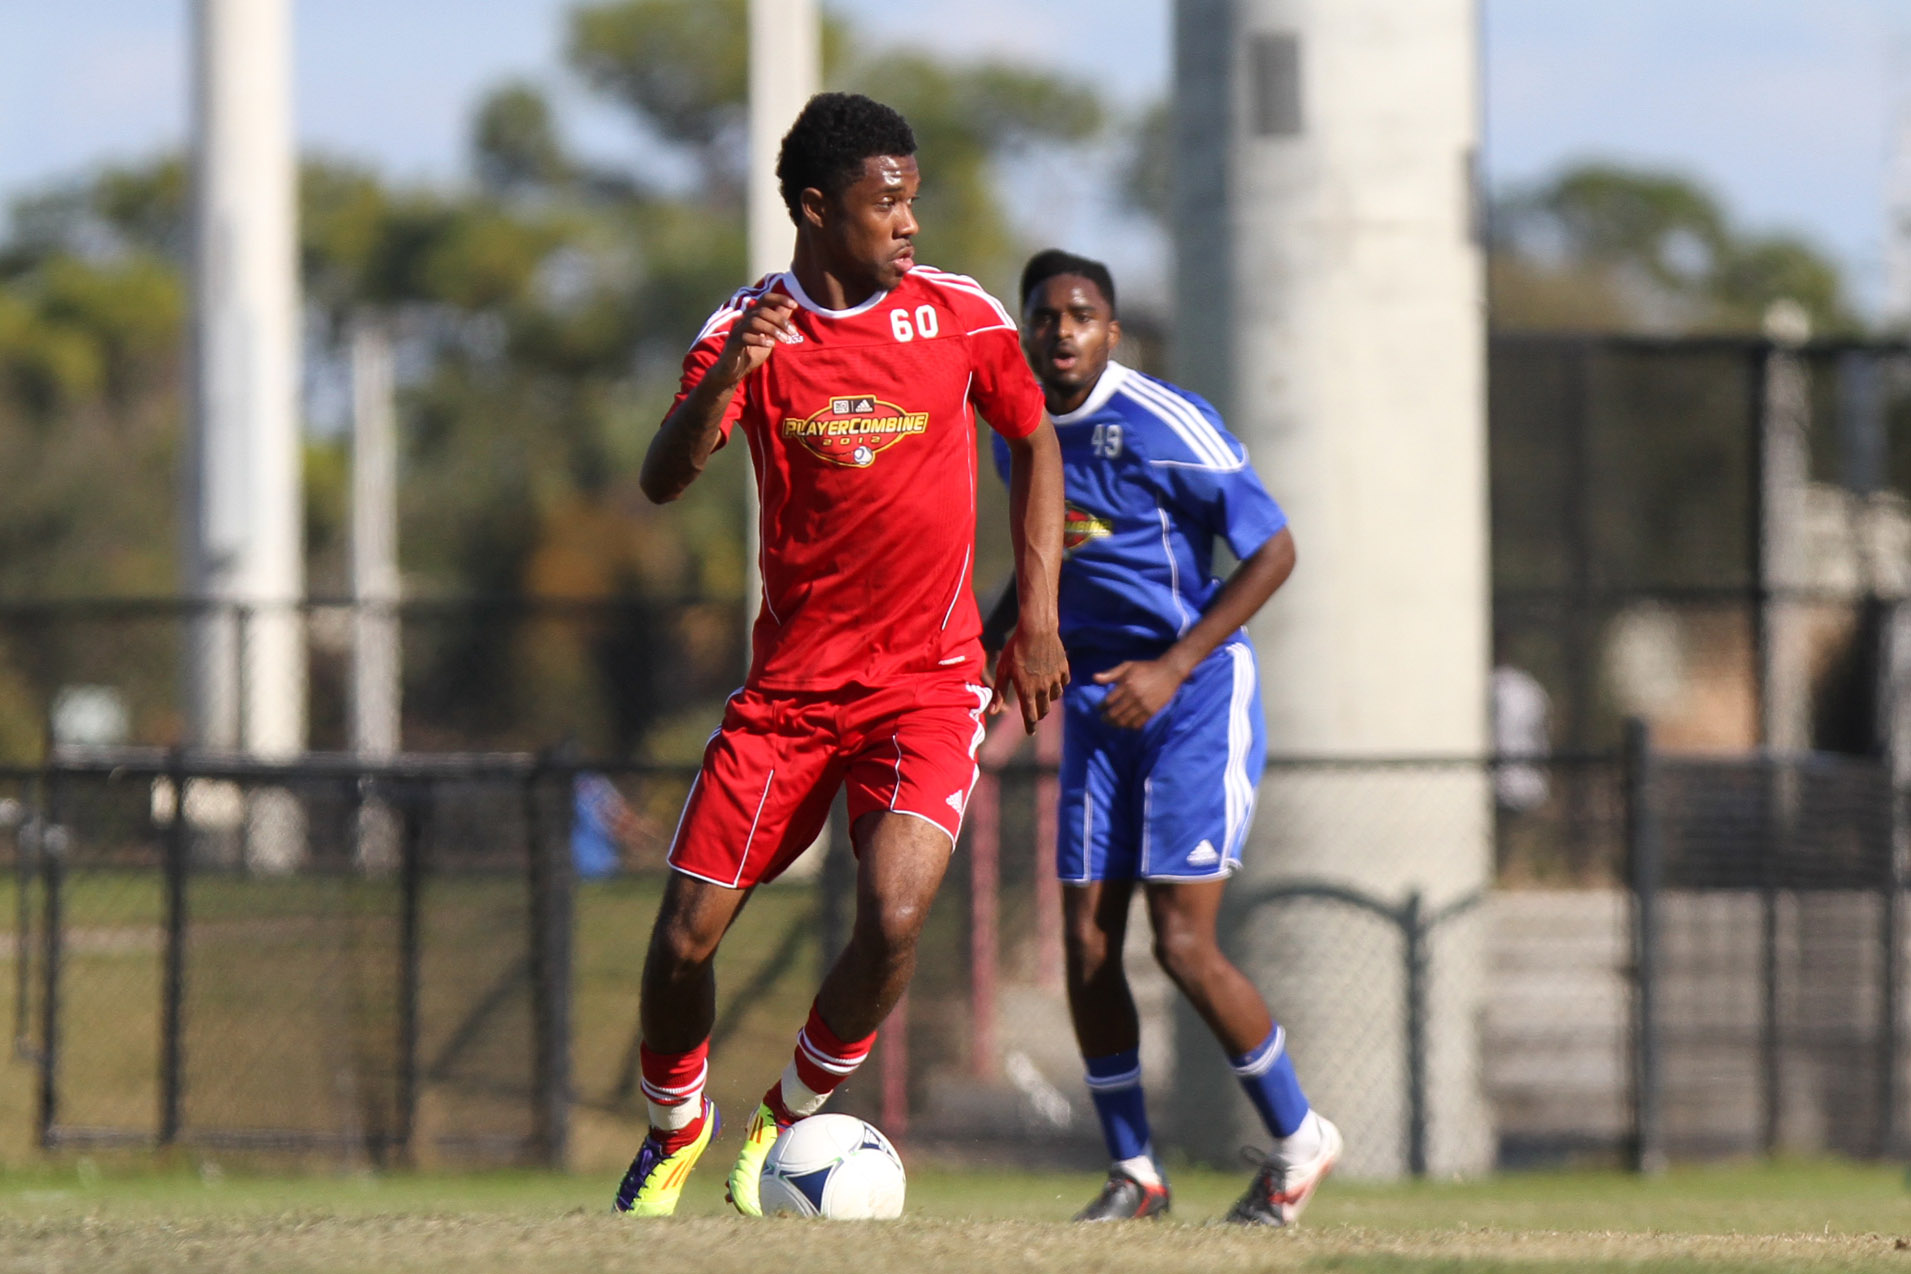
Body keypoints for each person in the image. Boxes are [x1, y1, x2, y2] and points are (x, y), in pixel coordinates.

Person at [614, 93, 1068, 1219]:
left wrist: (1037, 615)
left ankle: (787, 1113)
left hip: (929, 683)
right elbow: (662, 479)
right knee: (682, 944)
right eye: (886, 203)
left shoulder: (958, 315)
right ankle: (676, 1127)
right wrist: (727, 379)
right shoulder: (746, 328)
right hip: (788, 697)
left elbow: (1034, 439)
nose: (909, 223)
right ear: (817, 210)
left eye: (913, 200)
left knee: (895, 916)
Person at [983, 250, 1339, 1226]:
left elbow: (1274, 548)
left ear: (1112, 331)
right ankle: (1135, 1172)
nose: (1062, 330)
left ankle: (1300, 1138)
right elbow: (1039, 561)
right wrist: (985, 652)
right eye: (1045, 314)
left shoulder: (1164, 419)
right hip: (1095, 705)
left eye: (1081, 314)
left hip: (1192, 695)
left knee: (1180, 940)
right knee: (1085, 940)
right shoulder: (1015, 429)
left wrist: (1173, 667)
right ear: (1024, 327)